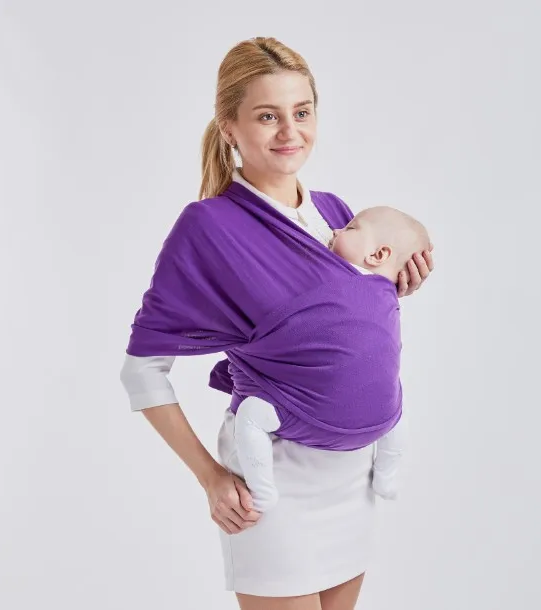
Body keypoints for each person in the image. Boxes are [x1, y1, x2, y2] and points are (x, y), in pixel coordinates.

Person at [120, 36, 434, 610]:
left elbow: (334, 333)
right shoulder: (208, 228)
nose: (290, 131)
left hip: (355, 478)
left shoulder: (337, 214)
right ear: (229, 127)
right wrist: (211, 477)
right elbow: (141, 371)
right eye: (268, 116)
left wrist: (396, 290)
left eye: (302, 112)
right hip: (272, 483)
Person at [234, 206, 430, 512]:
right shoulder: (387, 294)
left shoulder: (325, 277)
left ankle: (262, 490)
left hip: (310, 414)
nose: (336, 230)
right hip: (379, 421)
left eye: (350, 229)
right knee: (398, 413)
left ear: (378, 254)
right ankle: (386, 476)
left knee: (250, 416)